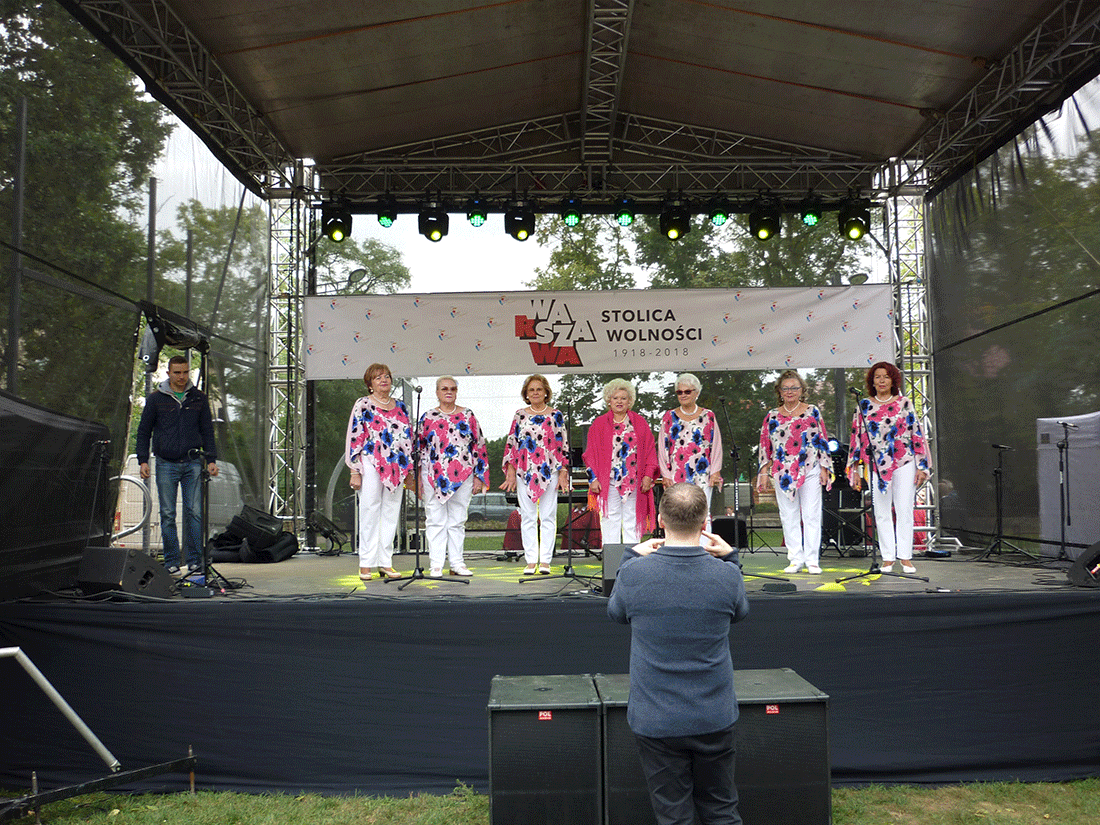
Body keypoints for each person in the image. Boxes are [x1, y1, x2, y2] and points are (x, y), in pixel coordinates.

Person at [608, 483, 749, 825]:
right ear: (705, 523)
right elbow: (741, 610)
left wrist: (629, 555)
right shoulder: (727, 575)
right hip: (713, 715)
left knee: (674, 814)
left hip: (657, 719)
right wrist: (730, 556)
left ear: (659, 520)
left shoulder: (633, 574)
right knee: (721, 809)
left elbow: (616, 612)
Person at [846, 361, 932, 574]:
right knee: (881, 511)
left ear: (893, 379)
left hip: (904, 460)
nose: (881, 380)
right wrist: (855, 469)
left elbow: (916, 434)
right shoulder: (863, 406)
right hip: (876, 463)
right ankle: (887, 557)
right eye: (877, 377)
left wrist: (921, 465)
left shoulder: (904, 403)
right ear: (872, 381)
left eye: (886, 376)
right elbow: (856, 438)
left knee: (904, 509)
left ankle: (905, 556)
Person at [135, 354, 218, 575]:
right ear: (168, 373)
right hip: (165, 463)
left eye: (185, 372)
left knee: (194, 512)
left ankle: (194, 560)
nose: (181, 377)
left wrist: (211, 459)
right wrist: (143, 459)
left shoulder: (198, 398)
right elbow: (144, 431)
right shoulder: (156, 399)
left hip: (192, 462)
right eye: (177, 372)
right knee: (168, 513)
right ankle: (171, 561)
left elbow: (207, 430)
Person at [756, 370, 832, 574]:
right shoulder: (772, 415)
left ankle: (812, 559)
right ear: (779, 391)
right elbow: (765, 445)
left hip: (810, 468)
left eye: (794, 388)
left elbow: (822, 440)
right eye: (785, 388)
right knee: (788, 515)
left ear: (802, 390)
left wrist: (825, 467)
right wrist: (763, 472)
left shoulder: (812, 411)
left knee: (811, 514)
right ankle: (795, 558)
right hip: (783, 471)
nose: (790, 392)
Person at [346, 363, 412, 581]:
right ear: (370, 384)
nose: (384, 380)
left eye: (386, 376)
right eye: (378, 378)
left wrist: (408, 469)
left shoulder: (401, 406)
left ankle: (385, 562)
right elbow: (355, 436)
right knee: (370, 510)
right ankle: (366, 563)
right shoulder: (363, 404)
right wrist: (355, 470)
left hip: (396, 465)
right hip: (371, 461)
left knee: (391, 512)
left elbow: (407, 439)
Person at [418, 376, 488, 577]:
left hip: (463, 473)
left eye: (452, 389)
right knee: (435, 520)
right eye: (444, 388)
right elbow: (418, 448)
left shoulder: (467, 415)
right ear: (437, 392)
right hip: (433, 475)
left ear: (456, 392)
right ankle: (436, 564)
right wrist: (416, 478)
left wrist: (479, 475)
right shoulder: (428, 417)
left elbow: (479, 445)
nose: (449, 392)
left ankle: (457, 563)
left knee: (457, 520)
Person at [500, 374, 570, 575]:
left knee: (548, 516)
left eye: (539, 389)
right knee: (528, 516)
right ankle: (531, 560)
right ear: (526, 394)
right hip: (525, 471)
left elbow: (562, 444)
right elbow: (512, 444)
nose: (536, 392)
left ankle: (546, 561)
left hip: (550, 470)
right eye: (531, 390)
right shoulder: (520, 415)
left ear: (546, 392)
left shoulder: (555, 415)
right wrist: (511, 472)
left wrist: (564, 471)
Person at [583, 378, 658, 546]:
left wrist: (647, 476)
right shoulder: (599, 424)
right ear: (609, 400)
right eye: (615, 398)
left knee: (632, 521)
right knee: (610, 520)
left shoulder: (640, 423)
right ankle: (612, 563)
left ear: (629, 401)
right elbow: (589, 455)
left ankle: (633, 560)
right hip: (607, 482)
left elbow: (651, 452)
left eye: (623, 398)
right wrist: (592, 479)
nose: (619, 401)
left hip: (634, 481)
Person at [658, 373, 723, 522]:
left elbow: (716, 445)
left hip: (703, 472)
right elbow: (663, 447)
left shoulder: (709, 416)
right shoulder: (669, 416)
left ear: (697, 393)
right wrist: (665, 474)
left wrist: (715, 472)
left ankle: (704, 545)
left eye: (687, 391)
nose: (683, 395)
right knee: (677, 513)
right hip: (676, 472)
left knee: (702, 514)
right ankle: (680, 545)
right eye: (679, 392)